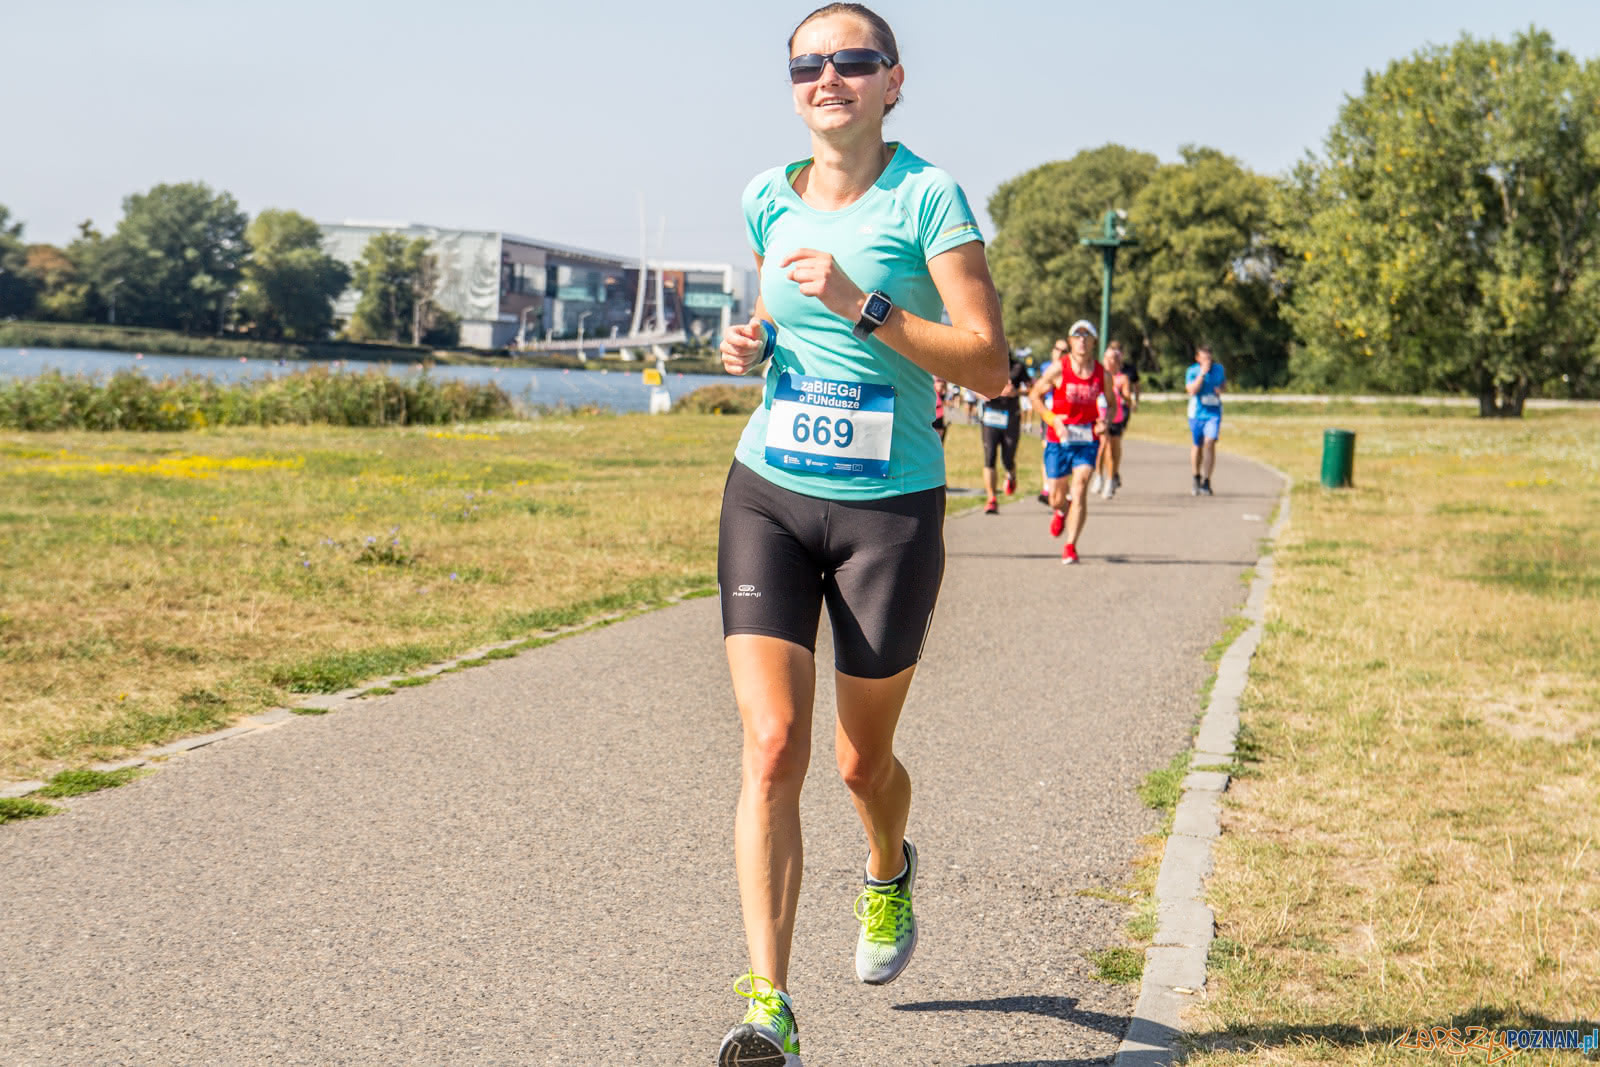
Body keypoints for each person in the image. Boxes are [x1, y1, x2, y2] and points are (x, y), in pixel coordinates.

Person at [714, 5, 1008, 1062]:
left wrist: (861, 302)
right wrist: (744, 344)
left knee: (854, 760)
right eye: (808, 63)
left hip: (887, 509)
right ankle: (767, 1007)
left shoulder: (928, 197)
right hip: (771, 489)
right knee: (772, 744)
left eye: (850, 60)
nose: (827, 76)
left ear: (892, 79)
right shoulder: (763, 196)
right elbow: (765, 329)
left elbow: (988, 365)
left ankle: (887, 868)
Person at [1027, 320, 1107, 564]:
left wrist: (1106, 421)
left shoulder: (1102, 373)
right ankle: (1061, 509)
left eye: (1087, 336)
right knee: (1055, 498)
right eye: (1077, 336)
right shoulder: (1058, 369)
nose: (1082, 340)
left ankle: (1070, 546)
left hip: (1086, 440)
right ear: (1071, 341)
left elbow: (1111, 403)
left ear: (1093, 342)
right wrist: (1053, 420)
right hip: (1058, 439)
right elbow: (1034, 395)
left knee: (1081, 485)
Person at [979, 353, 1032, 513]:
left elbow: (1032, 388)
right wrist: (990, 393)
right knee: (989, 458)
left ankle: (1011, 474)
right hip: (990, 417)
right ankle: (991, 499)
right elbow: (973, 387)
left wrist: (1016, 392)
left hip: (1011, 418)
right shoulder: (985, 365)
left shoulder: (1018, 367)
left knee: (1008, 458)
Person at [1092, 341, 1134, 499]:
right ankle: (1099, 475)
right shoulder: (1097, 375)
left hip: (1116, 417)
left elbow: (1128, 399)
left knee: (1113, 450)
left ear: (1118, 361)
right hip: (1100, 417)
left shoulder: (1122, 378)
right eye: (1107, 358)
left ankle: (1111, 478)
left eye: (1113, 359)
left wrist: (1123, 395)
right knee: (1103, 446)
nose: (1110, 362)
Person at [1186, 344, 1226, 496]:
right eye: (1204, 358)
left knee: (1210, 442)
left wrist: (1221, 389)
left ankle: (1207, 481)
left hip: (1213, 413)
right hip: (1196, 413)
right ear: (1198, 359)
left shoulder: (1219, 369)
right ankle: (1196, 476)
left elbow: (1223, 385)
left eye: (1209, 358)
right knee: (1198, 445)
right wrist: (1202, 374)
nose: (1207, 361)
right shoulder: (1192, 371)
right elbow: (1191, 391)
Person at [1036, 337, 1068, 505]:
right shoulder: (1046, 368)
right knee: (1047, 449)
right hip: (1049, 414)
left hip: (1066, 416)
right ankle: (1047, 487)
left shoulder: (1071, 368)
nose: (1060, 353)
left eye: (1064, 350)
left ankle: (1064, 490)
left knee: (1066, 452)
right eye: (1058, 349)